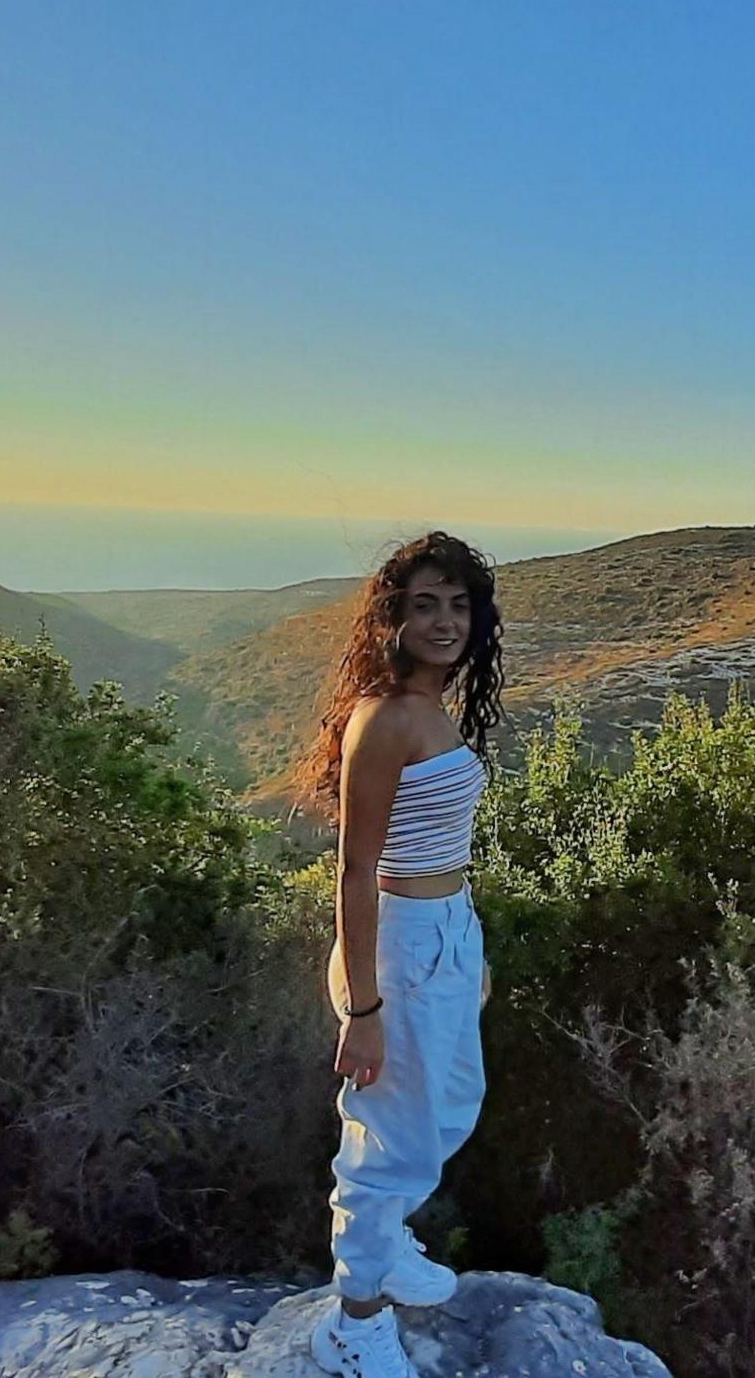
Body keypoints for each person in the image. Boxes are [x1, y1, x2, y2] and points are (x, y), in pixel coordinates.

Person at [292, 532, 503, 1377]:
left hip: (445, 929)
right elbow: (354, 869)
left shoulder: (435, 704)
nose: (446, 621)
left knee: (452, 1100)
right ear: (393, 617)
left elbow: (440, 837)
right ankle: (354, 1315)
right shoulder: (384, 719)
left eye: (458, 604)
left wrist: (466, 945)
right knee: (388, 1137)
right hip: (399, 941)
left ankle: (387, 1247)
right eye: (426, 605)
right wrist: (366, 1010)